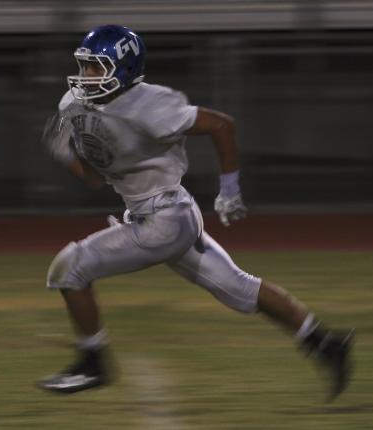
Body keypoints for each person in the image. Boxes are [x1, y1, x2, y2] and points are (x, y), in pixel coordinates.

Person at [38, 25, 354, 401]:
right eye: (84, 66)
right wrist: (66, 155)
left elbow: (221, 125)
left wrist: (230, 188)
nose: (86, 76)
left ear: (122, 70)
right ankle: (326, 343)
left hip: (165, 219)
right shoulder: (75, 106)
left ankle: (94, 362)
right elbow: (95, 177)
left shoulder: (148, 104)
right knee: (240, 289)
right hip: (159, 216)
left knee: (68, 267)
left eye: (96, 67)